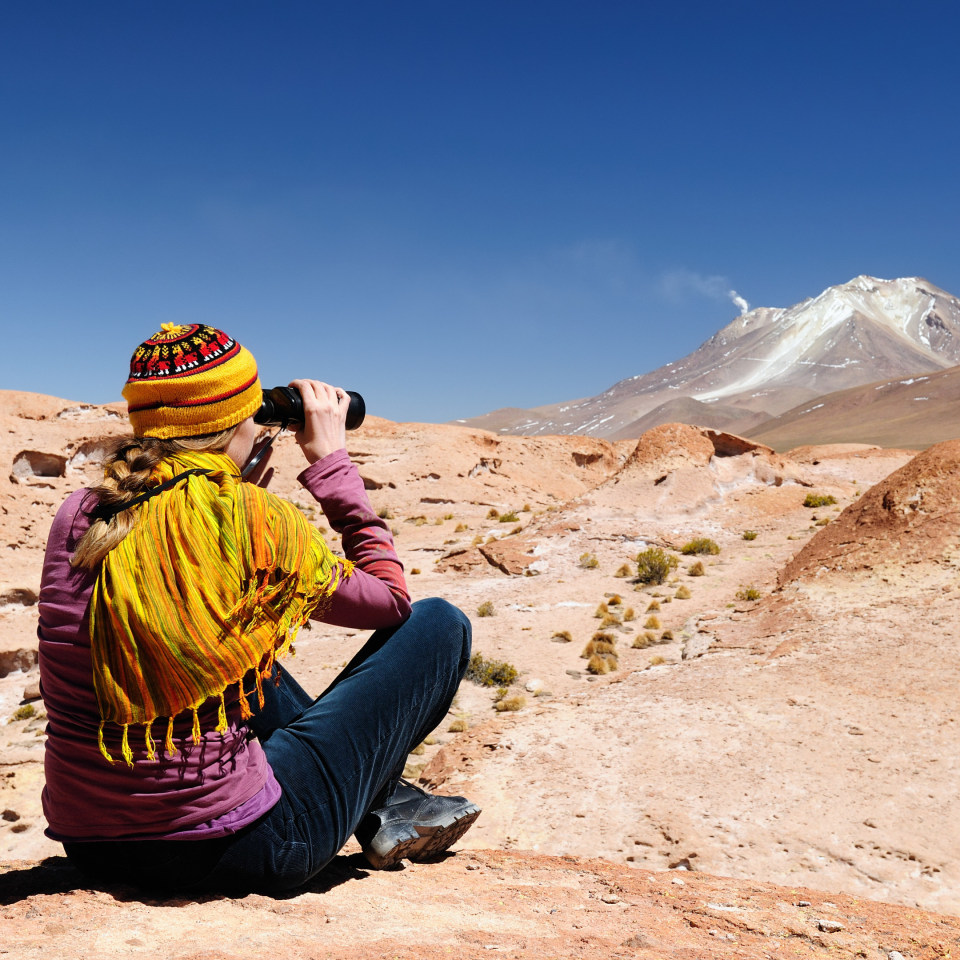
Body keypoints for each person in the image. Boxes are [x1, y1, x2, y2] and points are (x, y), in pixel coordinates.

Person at [37, 322, 479, 893]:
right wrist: (332, 467)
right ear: (242, 418)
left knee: (234, 646)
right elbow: (391, 602)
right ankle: (381, 802)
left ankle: (388, 805)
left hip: (91, 845)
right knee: (439, 623)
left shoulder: (81, 512)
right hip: (241, 848)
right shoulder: (249, 519)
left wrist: (235, 488)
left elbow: (180, 567)